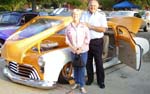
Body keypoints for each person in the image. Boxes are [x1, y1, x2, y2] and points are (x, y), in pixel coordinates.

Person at [80, 0, 108, 89]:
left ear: (98, 6)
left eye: (94, 5)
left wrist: (90, 26)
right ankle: (90, 79)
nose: (92, 7)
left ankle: (101, 81)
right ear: (88, 6)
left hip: (97, 41)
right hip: (86, 42)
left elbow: (103, 29)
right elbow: (81, 26)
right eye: (91, 5)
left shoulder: (101, 16)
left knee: (98, 62)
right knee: (88, 62)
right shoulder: (84, 15)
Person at [65, 9, 90, 93]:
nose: (75, 16)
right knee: (75, 67)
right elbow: (67, 39)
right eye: (74, 14)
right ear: (72, 16)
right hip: (73, 51)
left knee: (82, 68)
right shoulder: (69, 26)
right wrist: (73, 48)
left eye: (77, 15)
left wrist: (80, 48)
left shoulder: (84, 26)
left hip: (83, 51)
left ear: (80, 16)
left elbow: (87, 39)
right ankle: (76, 82)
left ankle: (82, 85)